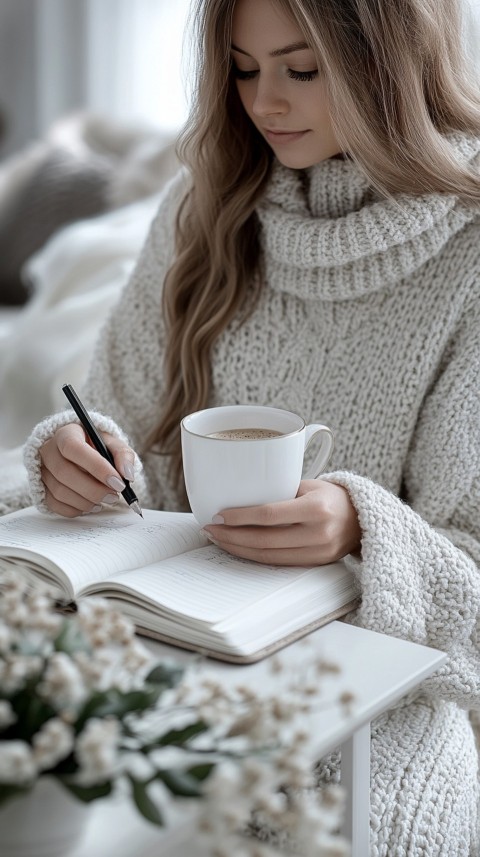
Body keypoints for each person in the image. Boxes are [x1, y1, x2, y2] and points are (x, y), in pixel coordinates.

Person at [5, 0, 480, 853]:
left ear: (392, 65)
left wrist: (360, 530)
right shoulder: (204, 209)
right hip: (161, 643)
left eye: (301, 69)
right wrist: (74, 456)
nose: (263, 103)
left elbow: (470, 568)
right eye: (242, 67)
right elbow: (124, 442)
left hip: (381, 682)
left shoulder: (471, 247)